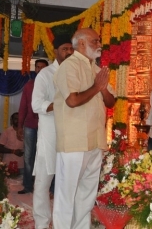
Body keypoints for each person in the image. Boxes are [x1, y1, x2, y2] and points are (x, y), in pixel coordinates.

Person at [52, 28, 115, 229]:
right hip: (74, 142)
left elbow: (111, 102)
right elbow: (72, 100)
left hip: (95, 140)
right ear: (81, 43)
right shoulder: (68, 66)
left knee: (87, 194)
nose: (99, 44)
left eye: (99, 40)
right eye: (95, 41)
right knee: (66, 194)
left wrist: (102, 87)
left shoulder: (96, 69)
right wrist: (96, 87)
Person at [31, 35, 74, 229]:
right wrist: (60, 105)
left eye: (71, 49)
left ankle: (62, 223)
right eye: (65, 49)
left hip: (71, 136)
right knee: (42, 183)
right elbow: (36, 104)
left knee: (66, 183)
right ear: (56, 51)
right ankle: (41, 223)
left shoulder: (75, 73)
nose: (69, 52)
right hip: (49, 136)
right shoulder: (45, 74)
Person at [17, 59, 48, 194]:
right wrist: (19, 126)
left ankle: (46, 187)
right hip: (30, 125)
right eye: (38, 67)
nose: (40, 69)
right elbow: (23, 107)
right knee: (29, 156)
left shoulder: (52, 85)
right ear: (35, 69)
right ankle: (28, 186)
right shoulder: (29, 86)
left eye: (43, 67)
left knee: (46, 156)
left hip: (46, 126)